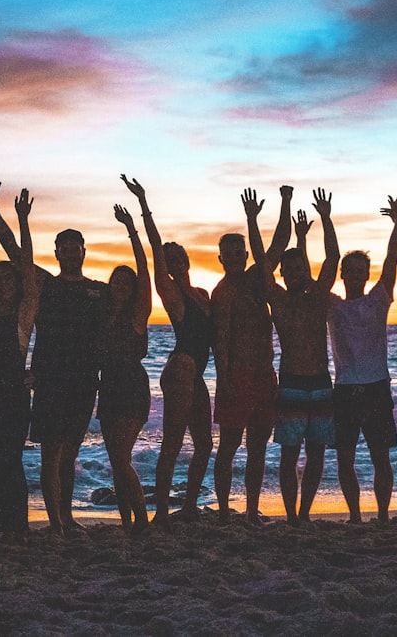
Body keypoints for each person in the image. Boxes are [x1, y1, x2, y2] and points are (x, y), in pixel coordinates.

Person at [0, 169, 105, 536]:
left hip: (84, 383)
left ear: (83, 249)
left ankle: (66, 517)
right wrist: (1, 210)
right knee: (52, 454)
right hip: (50, 382)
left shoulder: (98, 291)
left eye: (74, 245)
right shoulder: (45, 286)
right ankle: (55, 523)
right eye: (62, 246)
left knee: (71, 455)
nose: (68, 251)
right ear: (57, 252)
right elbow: (13, 251)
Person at [121, 175, 213, 532]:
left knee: (204, 443)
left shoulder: (203, 295)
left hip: (197, 374)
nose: (173, 262)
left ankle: (188, 506)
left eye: (178, 257)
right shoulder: (171, 294)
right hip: (179, 370)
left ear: (188, 260)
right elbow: (155, 245)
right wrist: (143, 206)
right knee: (173, 444)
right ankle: (161, 512)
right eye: (168, 259)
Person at [253, 189, 339, 525]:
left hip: (319, 382)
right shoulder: (277, 297)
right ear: (283, 274)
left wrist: (327, 219)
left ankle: (304, 513)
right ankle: (290, 515)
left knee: (316, 453)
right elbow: (262, 263)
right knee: (288, 454)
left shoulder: (319, 295)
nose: (293, 273)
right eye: (287, 269)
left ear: (306, 269)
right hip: (289, 383)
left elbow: (332, 258)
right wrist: (252, 220)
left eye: (298, 267)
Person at [327, 183, 397, 524]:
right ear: (343, 274)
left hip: (377, 387)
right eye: (351, 271)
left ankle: (383, 515)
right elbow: (324, 264)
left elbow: (392, 258)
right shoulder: (331, 304)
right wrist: (325, 221)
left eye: (362, 271)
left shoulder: (379, 297)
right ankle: (355, 517)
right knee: (345, 459)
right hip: (345, 390)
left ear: (367, 275)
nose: (356, 275)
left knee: (380, 458)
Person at [212, 185, 291, 525]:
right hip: (236, 377)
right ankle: (225, 512)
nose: (232, 259)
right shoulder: (222, 292)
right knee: (229, 446)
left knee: (258, 447)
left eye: (237, 253)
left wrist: (285, 202)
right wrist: (225, 379)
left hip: (264, 376)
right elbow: (221, 340)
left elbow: (279, 244)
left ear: (244, 255)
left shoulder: (257, 280)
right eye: (226, 255)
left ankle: (251, 510)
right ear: (220, 259)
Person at [0, 188, 40, 542]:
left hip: (14, 393)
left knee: (10, 459)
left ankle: (16, 525)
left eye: (8, 279)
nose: (3, 284)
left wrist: (22, 220)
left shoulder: (23, 314)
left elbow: (27, 265)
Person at [97, 203, 152, 535]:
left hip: (132, 386)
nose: (121, 286)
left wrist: (132, 228)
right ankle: (127, 522)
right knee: (115, 462)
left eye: (126, 283)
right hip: (109, 388)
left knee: (120, 456)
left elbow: (143, 270)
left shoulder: (137, 315)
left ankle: (143, 522)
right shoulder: (102, 317)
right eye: (116, 282)